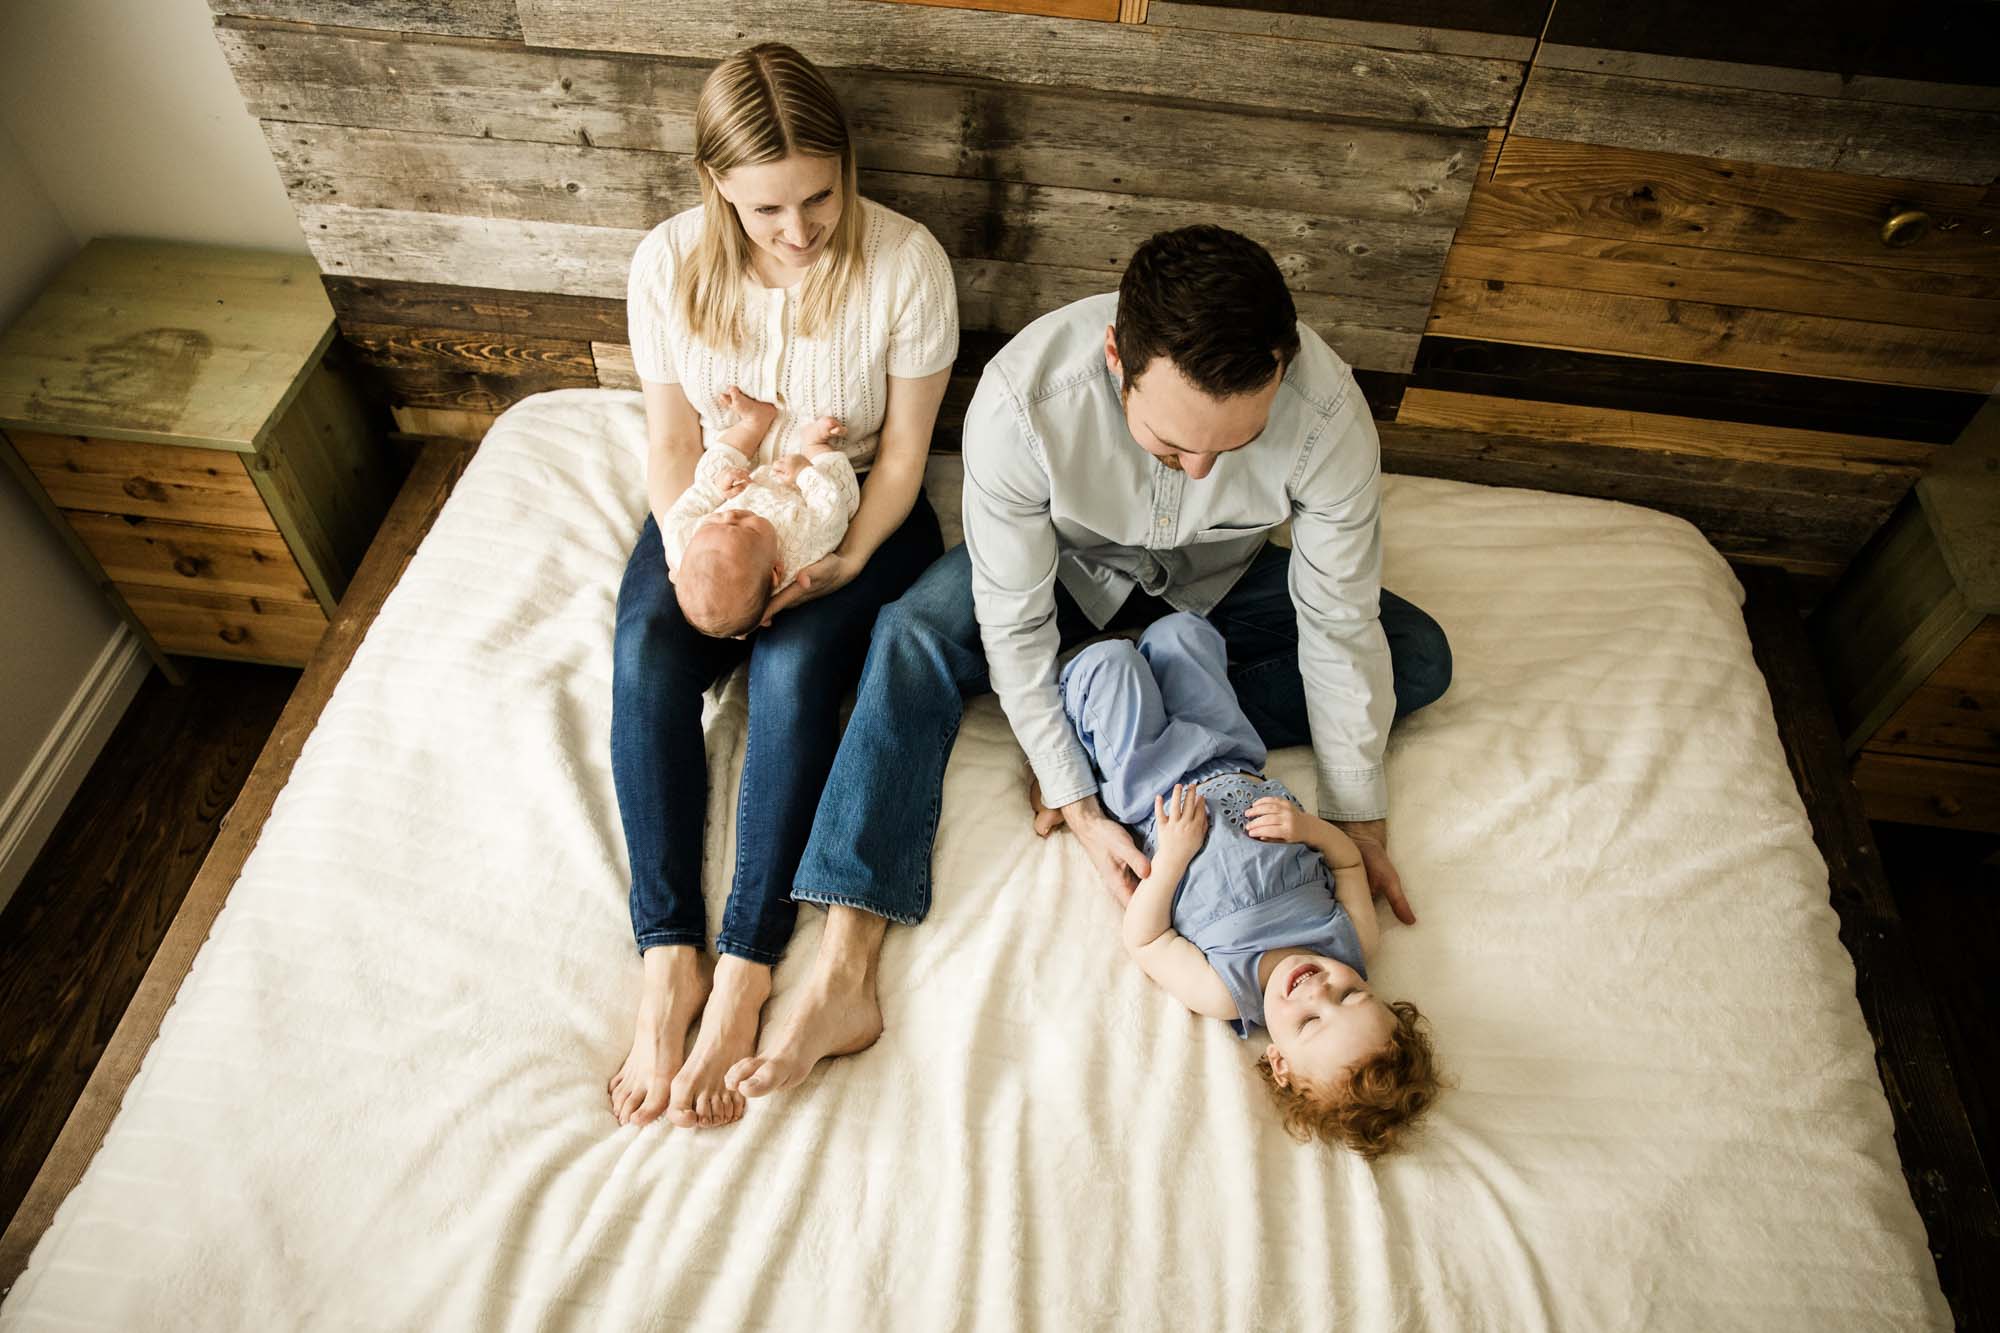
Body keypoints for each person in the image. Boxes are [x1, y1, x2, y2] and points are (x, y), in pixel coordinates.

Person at [723, 225, 1451, 1102]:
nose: (1204, 468)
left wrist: (1355, 819)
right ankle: (845, 965)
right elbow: (1015, 620)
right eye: (1174, 445)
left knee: (1414, 653)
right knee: (910, 633)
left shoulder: (1327, 415)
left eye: (1234, 446)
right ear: (1117, 358)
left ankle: (1124, 716)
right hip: (1067, 576)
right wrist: (1072, 792)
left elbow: (1338, 619)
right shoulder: (1024, 402)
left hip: (1215, 589)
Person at [607, 42, 957, 1130]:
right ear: (716, 186)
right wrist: (698, 551)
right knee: (647, 659)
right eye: (766, 210)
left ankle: (748, 961)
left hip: (857, 513)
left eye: (817, 196)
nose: (798, 231)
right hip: (714, 505)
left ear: (846, 166)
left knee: (797, 668)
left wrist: (845, 562)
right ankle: (669, 955)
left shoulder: (905, 263)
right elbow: (669, 443)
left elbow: (901, 456)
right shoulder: (666, 266)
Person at [1052, 613, 1439, 1157]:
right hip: (1233, 757)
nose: (1319, 990)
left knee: (1106, 666)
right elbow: (1350, 865)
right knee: (1183, 633)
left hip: (1154, 791)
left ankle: (1064, 726)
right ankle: (1153, 642)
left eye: (1309, 1022)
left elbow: (1146, 940)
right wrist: (1308, 829)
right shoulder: (1356, 940)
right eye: (1351, 994)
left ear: (1278, 1063)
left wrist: (1173, 860)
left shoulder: (1222, 992)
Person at [662, 387, 855, 638]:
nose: (731, 515)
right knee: (844, 492)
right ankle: (814, 443)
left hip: (737, 484)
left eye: (713, 523)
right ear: (776, 571)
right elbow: (829, 509)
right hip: (797, 492)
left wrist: (717, 489)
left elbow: (682, 512)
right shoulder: (800, 546)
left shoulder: (681, 545)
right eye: (748, 528)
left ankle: (754, 423)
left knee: (710, 469)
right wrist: (805, 473)